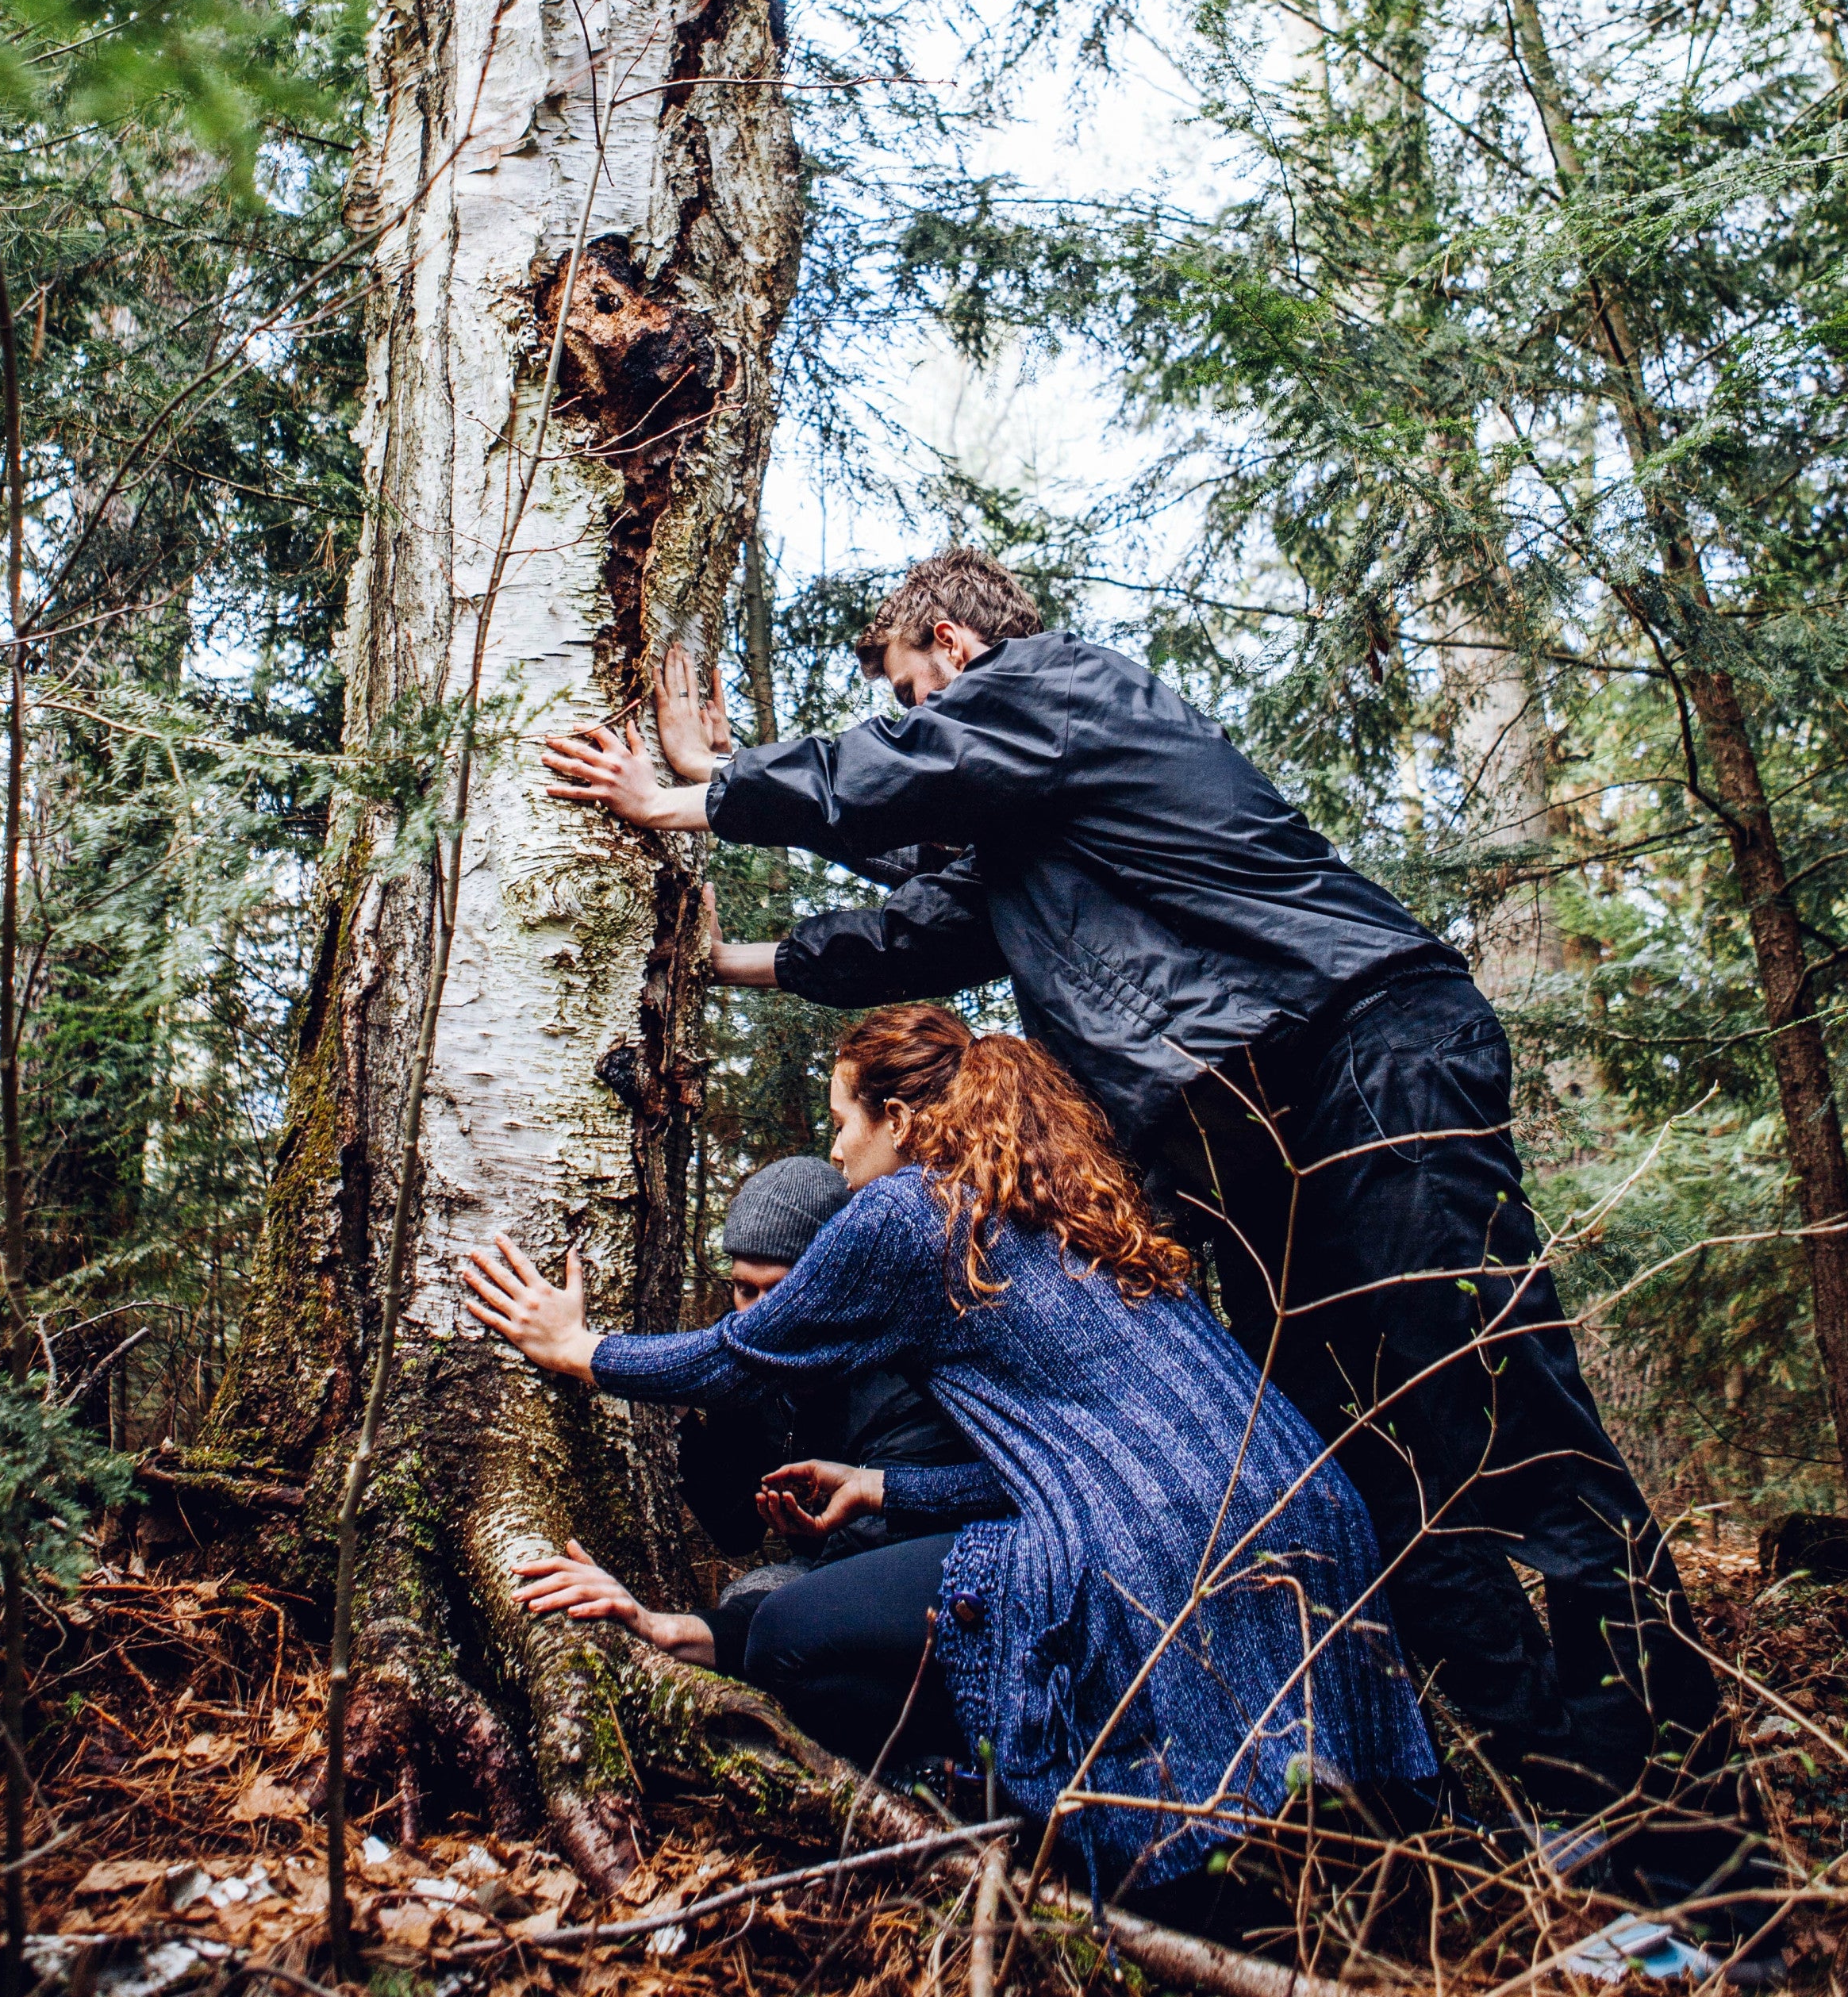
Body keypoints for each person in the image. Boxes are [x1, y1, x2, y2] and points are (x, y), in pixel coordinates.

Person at [541, 550, 1727, 1864]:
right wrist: (725, 957)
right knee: (1369, 1469)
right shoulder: (1037, 836)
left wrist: (701, 789)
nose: (913, 718)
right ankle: (1557, 1799)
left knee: (1502, 1430)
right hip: (1252, 1136)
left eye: (908, 688)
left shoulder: (1059, 686)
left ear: (949, 643)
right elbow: (930, 916)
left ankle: (1688, 1840)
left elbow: (916, 772)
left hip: (1361, 1057)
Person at [466, 1006, 1436, 1895]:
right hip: (1306, 1512)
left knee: (796, 1642)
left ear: (895, 1117)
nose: (838, 1148)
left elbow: (740, 1355)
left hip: (1154, 1543)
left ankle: (1012, 1810)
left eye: (842, 1118)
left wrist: (581, 1349)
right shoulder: (1067, 1208)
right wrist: (887, 1485)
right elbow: (1085, 1451)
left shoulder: (907, 1209)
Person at [527, 1141, 1004, 1680]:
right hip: (835, 1578)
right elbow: (736, 1531)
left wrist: (663, 1627)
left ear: (828, 1287)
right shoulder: (754, 1375)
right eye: (742, 1289)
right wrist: (683, 1424)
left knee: (758, 1596)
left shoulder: (900, 1396)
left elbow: (843, 1586)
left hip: (940, 1599)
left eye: (777, 1292)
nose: (755, 1314)